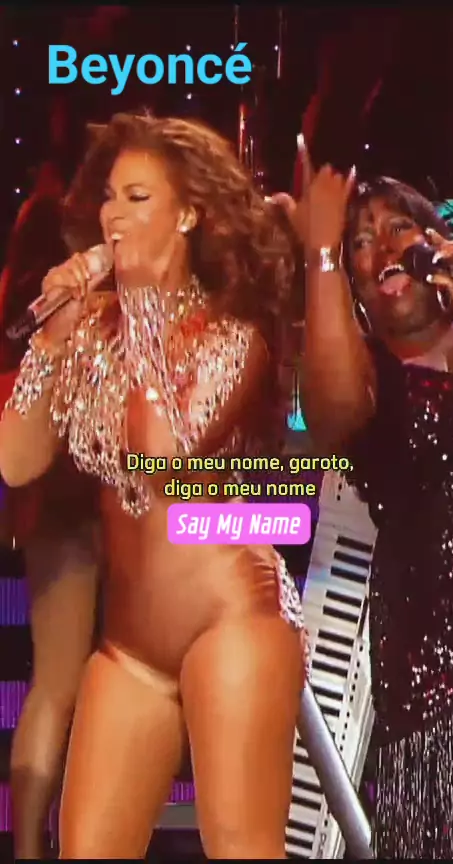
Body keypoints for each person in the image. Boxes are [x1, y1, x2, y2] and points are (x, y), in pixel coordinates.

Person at [0, 112, 307, 859]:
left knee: (242, 848)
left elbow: (161, 460)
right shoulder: (93, 331)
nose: (114, 215)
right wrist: (52, 341)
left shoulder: (233, 336)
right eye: (109, 196)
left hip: (230, 618)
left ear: (189, 215)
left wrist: (139, 304)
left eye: (137, 198)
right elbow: (15, 461)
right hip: (131, 643)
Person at [286, 163, 453, 858]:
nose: (383, 248)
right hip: (446, 701)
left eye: (399, 227)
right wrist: (320, 255)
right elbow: (332, 415)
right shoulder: (371, 380)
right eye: (361, 243)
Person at [0, 157, 101, 859]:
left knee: (57, 684)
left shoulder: (25, 294)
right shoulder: (74, 298)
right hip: (78, 495)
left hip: (55, 503)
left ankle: (35, 846)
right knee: (68, 685)